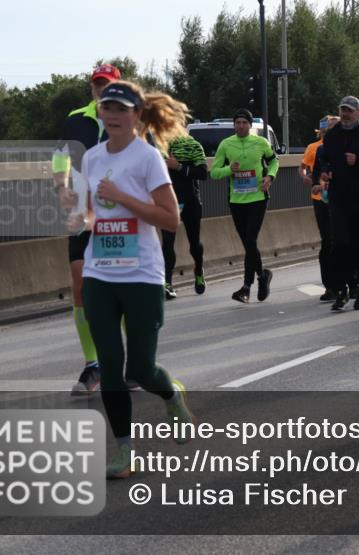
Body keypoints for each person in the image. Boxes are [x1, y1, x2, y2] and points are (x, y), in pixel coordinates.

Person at [69, 80, 196, 478]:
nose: (112, 115)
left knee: (140, 368)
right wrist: (77, 213)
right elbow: (91, 214)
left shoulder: (148, 159)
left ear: (137, 116)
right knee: (110, 366)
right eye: (107, 108)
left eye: (121, 109)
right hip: (99, 273)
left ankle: (171, 395)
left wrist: (122, 197)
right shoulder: (91, 158)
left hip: (141, 274)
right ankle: (124, 451)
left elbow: (170, 218)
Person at [53, 63, 121, 395]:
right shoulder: (76, 118)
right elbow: (59, 158)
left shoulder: (131, 119)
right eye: (97, 83)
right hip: (80, 212)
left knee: (117, 289)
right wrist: (61, 187)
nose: (101, 88)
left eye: (107, 83)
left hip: (117, 212)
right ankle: (93, 365)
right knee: (80, 287)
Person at [210, 109, 278, 304]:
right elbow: (214, 172)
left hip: (257, 198)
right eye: (237, 122)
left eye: (244, 123)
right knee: (249, 244)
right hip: (236, 200)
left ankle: (246, 287)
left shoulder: (261, 143)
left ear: (250, 125)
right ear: (234, 125)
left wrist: (270, 177)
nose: (241, 126)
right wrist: (228, 169)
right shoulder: (226, 144)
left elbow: (274, 161)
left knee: (250, 239)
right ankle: (262, 275)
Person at [321, 96, 359, 312]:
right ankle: (343, 290)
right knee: (338, 246)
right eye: (343, 110)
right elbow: (324, 158)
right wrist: (325, 170)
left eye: (349, 110)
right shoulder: (333, 135)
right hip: (338, 199)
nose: (345, 114)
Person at [160, 133, 208, 299]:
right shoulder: (158, 145)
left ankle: (199, 270)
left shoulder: (192, 144)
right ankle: (167, 283)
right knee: (167, 242)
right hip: (168, 202)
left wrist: (178, 166)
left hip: (190, 201)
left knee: (194, 242)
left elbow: (203, 173)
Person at [302, 116, 340, 302]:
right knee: (327, 241)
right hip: (321, 199)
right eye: (326, 129)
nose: (329, 132)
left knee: (342, 241)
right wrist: (311, 180)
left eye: (333, 128)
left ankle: (350, 283)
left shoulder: (349, 147)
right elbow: (306, 169)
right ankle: (331, 286)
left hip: (344, 200)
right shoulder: (316, 148)